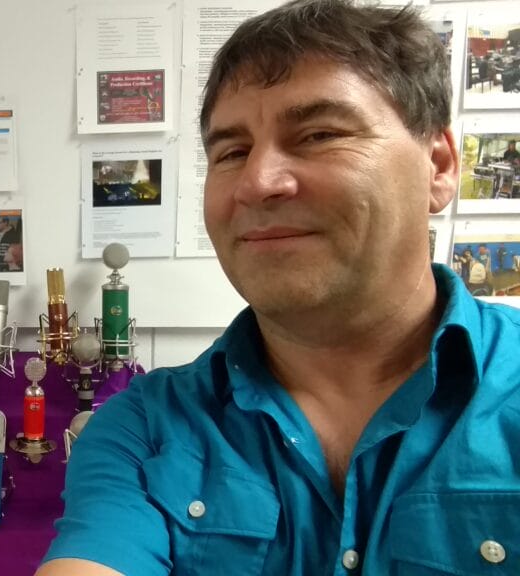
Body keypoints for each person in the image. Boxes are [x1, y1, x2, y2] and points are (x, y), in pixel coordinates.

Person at [37, 1, 520, 575]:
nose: (258, 182)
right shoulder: (143, 432)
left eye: (318, 134)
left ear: (438, 166)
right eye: (232, 152)